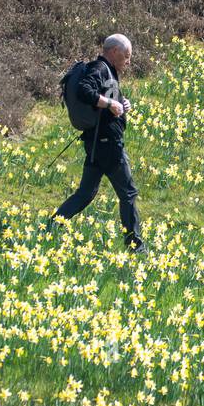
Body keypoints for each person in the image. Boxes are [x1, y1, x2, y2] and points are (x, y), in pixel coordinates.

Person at [50, 33, 146, 254]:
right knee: (128, 193)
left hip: (97, 145)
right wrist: (111, 103)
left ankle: (52, 227)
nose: (129, 61)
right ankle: (135, 246)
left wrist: (121, 103)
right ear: (113, 52)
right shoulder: (100, 68)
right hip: (107, 145)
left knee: (85, 193)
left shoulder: (108, 71)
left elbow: (106, 99)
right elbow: (85, 90)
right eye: (127, 56)